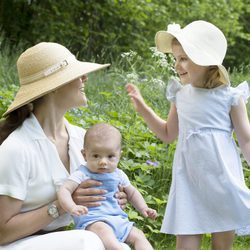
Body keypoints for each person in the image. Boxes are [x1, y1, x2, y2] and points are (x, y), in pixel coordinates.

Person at [126, 20, 250, 250]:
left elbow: (247, 140)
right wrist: (143, 108)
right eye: (175, 58)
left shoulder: (230, 96)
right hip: (189, 182)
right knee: (185, 246)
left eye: (183, 58)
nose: (177, 65)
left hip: (223, 180)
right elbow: (167, 133)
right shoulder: (181, 96)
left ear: (204, 59)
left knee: (222, 246)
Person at [0, 42, 130, 250]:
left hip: (62, 241)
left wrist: (112, 196)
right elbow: (2, 233)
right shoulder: (17, 149)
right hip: (14, 245)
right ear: (53, 87)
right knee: (88, 242)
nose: (84, 78)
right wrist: (62, 204)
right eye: (76, 74)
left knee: (118, 246)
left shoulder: (81, 138)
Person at [58, 122, 157, 250]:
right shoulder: (82, 174)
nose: (103, 162)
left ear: (119, 155)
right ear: (84, 155)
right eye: (96, 156)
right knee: (105, 232)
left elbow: (132, 193)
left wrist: (144, 208)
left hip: (118, 219)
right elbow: (64, 190)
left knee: (139, 235)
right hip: (94, 220)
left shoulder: (119, 174)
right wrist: (71, 207)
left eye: (110, 156)